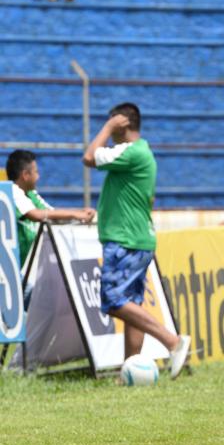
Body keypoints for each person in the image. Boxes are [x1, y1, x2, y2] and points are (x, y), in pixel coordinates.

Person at [81, 103, 191, 374]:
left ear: (123, 123)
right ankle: (130, 371)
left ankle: (172, 342)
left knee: (114, 300)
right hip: (138, 239)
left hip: (125, 239)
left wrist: (106, 128)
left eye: (113, 123)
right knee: (132, 304)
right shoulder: (143, 153)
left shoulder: (131, 152)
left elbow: (89, 157)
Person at [5, 150, 95, 268]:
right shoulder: (12, 191)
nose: (38, 176)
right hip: (15, 268)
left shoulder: (31, 194)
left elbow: (50, 212)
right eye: (36, 172)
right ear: (26, 175)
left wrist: (80, 212)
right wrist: (75, 215)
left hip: (31, 267)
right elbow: (36, 215)